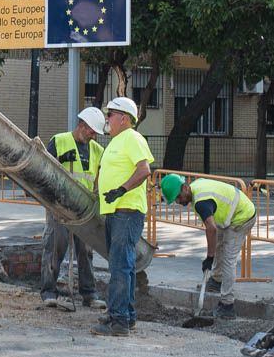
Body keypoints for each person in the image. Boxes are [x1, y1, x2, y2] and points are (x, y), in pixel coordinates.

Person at [92, 96, 154, 337]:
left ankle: (118, 321)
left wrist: (122, 189)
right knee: (121, 266)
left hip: (127, 211)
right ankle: (124, 316)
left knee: (120, 266)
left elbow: (144, 169)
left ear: (124, 118)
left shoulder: (132, 138)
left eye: (111, 115)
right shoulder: (117, 141)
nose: (107, 119)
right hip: (116, 212)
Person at [159, 173, 256, 318]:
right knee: (218, 247)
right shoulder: (196, 188)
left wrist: (209, 258)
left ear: (185, 188)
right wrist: (211, 255)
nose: (178, 202)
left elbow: (211, 229)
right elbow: (213, 232)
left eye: (178, 197)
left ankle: (227, 305)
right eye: (175, 200)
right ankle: (216, 281)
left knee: (228, 259)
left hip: (242, 216)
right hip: (230, 215)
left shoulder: (201, 203)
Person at [41, 106, 108, 311]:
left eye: (96, 132)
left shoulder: (97, 150)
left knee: (86, 251)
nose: (93, 135)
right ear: (82, 125)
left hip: (84, 208)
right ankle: (49, 292)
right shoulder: (59, 141)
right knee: (55, 245)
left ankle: (89, 294)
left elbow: (100, 178)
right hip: (59, 204)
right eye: (91, 131)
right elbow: (45, 170)